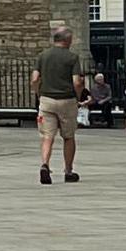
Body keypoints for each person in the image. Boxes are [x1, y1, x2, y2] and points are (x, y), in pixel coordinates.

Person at [32, 26, 82, 186]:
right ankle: (68, 170)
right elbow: (77, 82)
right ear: (67, 40)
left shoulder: (42, 56)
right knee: (68, 136)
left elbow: (34, 79)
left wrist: (38, 94)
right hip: (66, 100)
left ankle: (45, 164)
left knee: (47, 136)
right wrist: (78, 97)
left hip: (46, 99)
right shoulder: (72, 57)